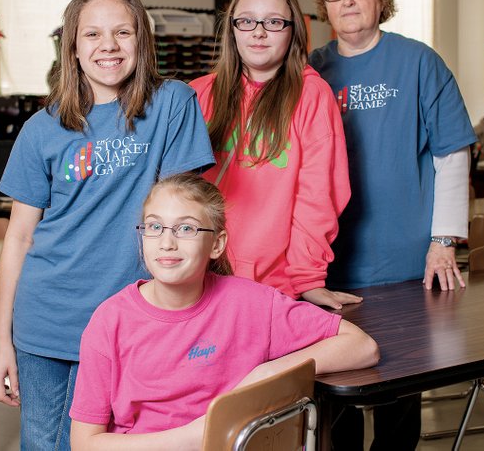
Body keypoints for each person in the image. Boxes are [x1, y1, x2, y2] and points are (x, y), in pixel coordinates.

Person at [0, 0, 215, 450]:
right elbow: (19, 240)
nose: (108, 46)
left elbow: (180, 214)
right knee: (47, 445)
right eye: (92, 34)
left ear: (141, 42)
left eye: (122, 32)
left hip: (133, 322)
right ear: (72, 46)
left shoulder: (172, 104)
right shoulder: (41, 129)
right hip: (48, 321)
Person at [69, 173, 381, 450]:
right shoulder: (110, 322)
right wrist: (195, 437)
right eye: (154, 226)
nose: (166, 242)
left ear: (217, 244)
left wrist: (268, 373)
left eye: (186, 229)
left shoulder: (252, 303)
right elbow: (85, 443)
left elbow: (362, 346)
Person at [308, 0, 477, 450]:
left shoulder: (420, 62)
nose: (350, 1)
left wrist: (443, 241)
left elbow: (452, 154)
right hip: (329, 263)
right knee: (336, 398)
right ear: (325, 7)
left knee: (399, 392)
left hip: (404, 260)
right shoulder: (311, 69)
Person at [190, 0, 359, 309]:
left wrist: (308, 278)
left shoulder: (312, 95)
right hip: (196, 278)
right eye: (247, 20)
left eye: (274, 22)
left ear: (293, 31)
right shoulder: (196, 94)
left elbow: (317, 196)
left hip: (271, 286)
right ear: (232, 29)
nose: (258, 31)